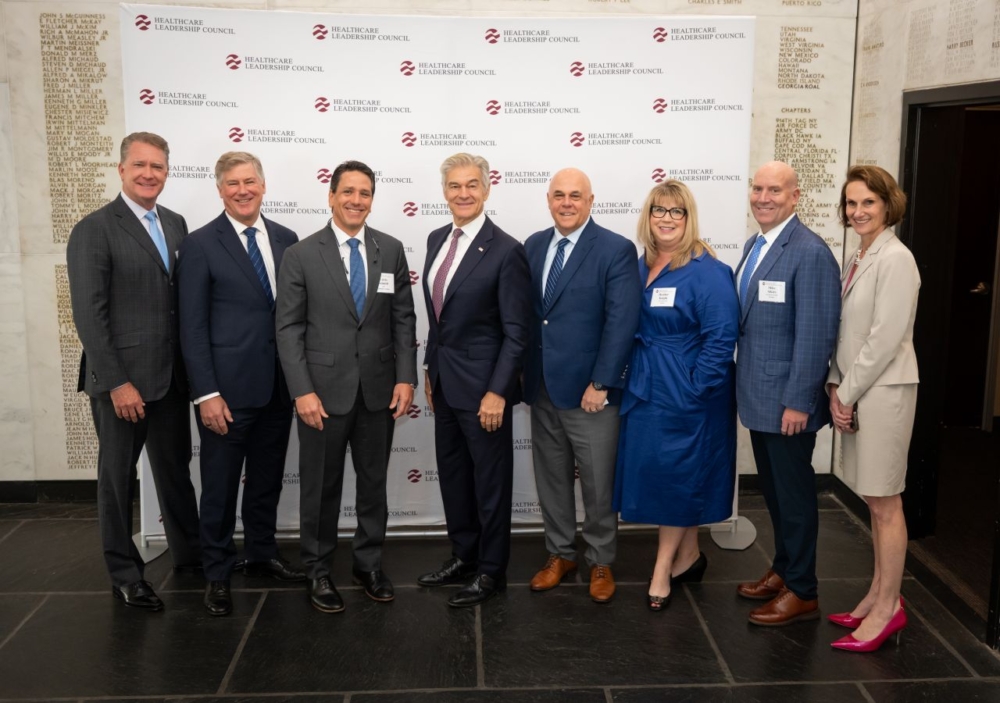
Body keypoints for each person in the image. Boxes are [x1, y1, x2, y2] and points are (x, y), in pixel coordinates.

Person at [66, 132, 201, 611]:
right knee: (117, 478)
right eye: (140, 165)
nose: (149, 174)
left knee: (175, 471)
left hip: (170, 378)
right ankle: (125, 572)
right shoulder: (94, 228)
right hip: (121, 382)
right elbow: (89, 315)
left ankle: (190, 556)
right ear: (121, 169)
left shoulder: (177, 224)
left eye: (158, 166)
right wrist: (119, 382)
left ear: (167, 172)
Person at [275, 160, 417, 613]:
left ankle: (367, 564)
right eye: (349, 192)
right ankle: (318, 570)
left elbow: (403, 319)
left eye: (365, 193)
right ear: (331, 196)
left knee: (373, 484)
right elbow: (288, 329)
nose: (357, 200)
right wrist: (301, 390)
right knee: (320, 488)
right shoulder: (300, 254)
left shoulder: (390, 250)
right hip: (321, 394)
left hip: (378, 392)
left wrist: (406, 377)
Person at [177, 151, 304, 617]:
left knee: (267, 478)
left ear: (264, 185)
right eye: (233, 183)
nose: (243, 190)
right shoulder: (199, 244)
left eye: (250, 181)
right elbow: (190, 327)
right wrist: (205, 393)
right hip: (225, 394)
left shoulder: (288, 239)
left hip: (278, 387)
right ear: (220, 190)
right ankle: (216, 571)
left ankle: (262, 552)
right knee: (220, 484)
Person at [613, 180, 740, 611]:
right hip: (648, 387)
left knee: (678, 476)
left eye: (676, 212)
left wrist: (695, 386)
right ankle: (689, 555)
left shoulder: (708, 271)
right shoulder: (639, 264)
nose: (666, 219)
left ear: (689, 219)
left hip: (688, 393)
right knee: (673, 477)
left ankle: (661, 568)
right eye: (658, 210)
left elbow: (722, 339)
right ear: (648, 217)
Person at [416, 153, 532, 608]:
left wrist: (497, 391)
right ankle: (463, 556)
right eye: (454, 186)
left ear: (486, 190)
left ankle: (491, 571)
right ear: (444, 191)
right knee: (454, 478)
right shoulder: (434, 239)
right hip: (444, 385)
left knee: (490, 483)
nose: (462, 194)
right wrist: (429, 369)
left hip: (484, 391)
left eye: (471, 185)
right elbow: (438, 317)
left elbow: (517, 332)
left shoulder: (506, 249)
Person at [522, 168, 642, 604]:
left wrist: (602, 382)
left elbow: (621, 321)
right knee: (551, 479)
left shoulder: (615, 249)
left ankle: (601, 560)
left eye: (576, 196)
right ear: (548, 199)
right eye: (559, 195)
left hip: (591, 394)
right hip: (541, 388)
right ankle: (559, 553)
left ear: (591, 201)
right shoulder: (534, 246)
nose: (567, 203)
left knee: (596, 484)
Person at [734, 161, 841, 626]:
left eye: (774, 190)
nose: (763, 197)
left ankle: (803, 590)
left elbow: (816, 335)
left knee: (795, 498)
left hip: (787, 404)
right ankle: (782, 569)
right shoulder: (754, 245)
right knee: (776, 495)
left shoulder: (810, 252)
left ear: (795, 196)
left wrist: (799, 400)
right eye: (757, 188)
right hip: (759, 397)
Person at [826, 165, 919, 652]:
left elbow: (884, 339)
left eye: (868, 202)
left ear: (887, 204)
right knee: (874, 500)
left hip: (884, 392)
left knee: (886, 503)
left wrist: (847, 391)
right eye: (851, 203)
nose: (858, 211)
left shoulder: (896, 258)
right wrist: (836, 383)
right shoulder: (860, 254)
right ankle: (878, 596)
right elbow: (847, 333)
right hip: (859, 389)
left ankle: (888, 610)